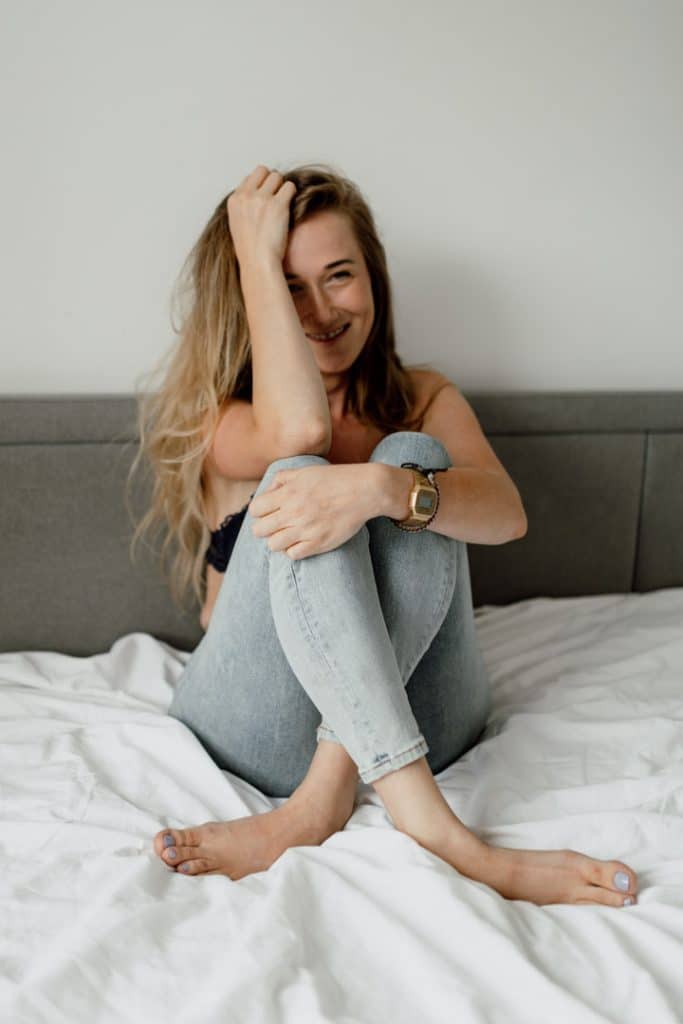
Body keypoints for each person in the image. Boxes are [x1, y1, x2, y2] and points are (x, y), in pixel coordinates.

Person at [131, 163, 638, 908]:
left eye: (338, 276)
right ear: (253, 297)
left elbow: (506, 514)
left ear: (375, 278)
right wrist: (251, 257)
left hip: (419, 707)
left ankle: (317, 804)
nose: (320, 310)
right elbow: (298, 431)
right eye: (288, 285)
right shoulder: (221, 416)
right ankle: (440, 831)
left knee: (412, 459)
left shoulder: (421, 395)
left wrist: (380, 488)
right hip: (260, 717)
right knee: (299, 467)